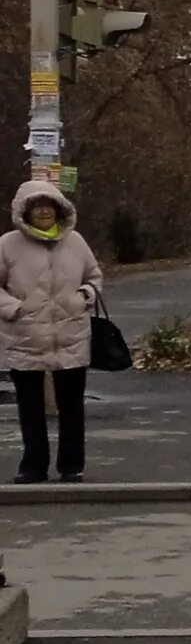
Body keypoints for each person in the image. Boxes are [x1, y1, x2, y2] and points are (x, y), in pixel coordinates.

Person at [0, 182, 104, 484]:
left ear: (59, 210)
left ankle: (72, 466)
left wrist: (84, 295)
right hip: (25, 335)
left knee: (71, 405)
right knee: (30, 407)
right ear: (24, 211)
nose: (44, 211)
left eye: (49, 206)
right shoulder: (8, 244)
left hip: (71, 333)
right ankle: (33, 466)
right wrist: (14, 309)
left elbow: (94, 275)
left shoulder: (76, 242)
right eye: (37, 206)